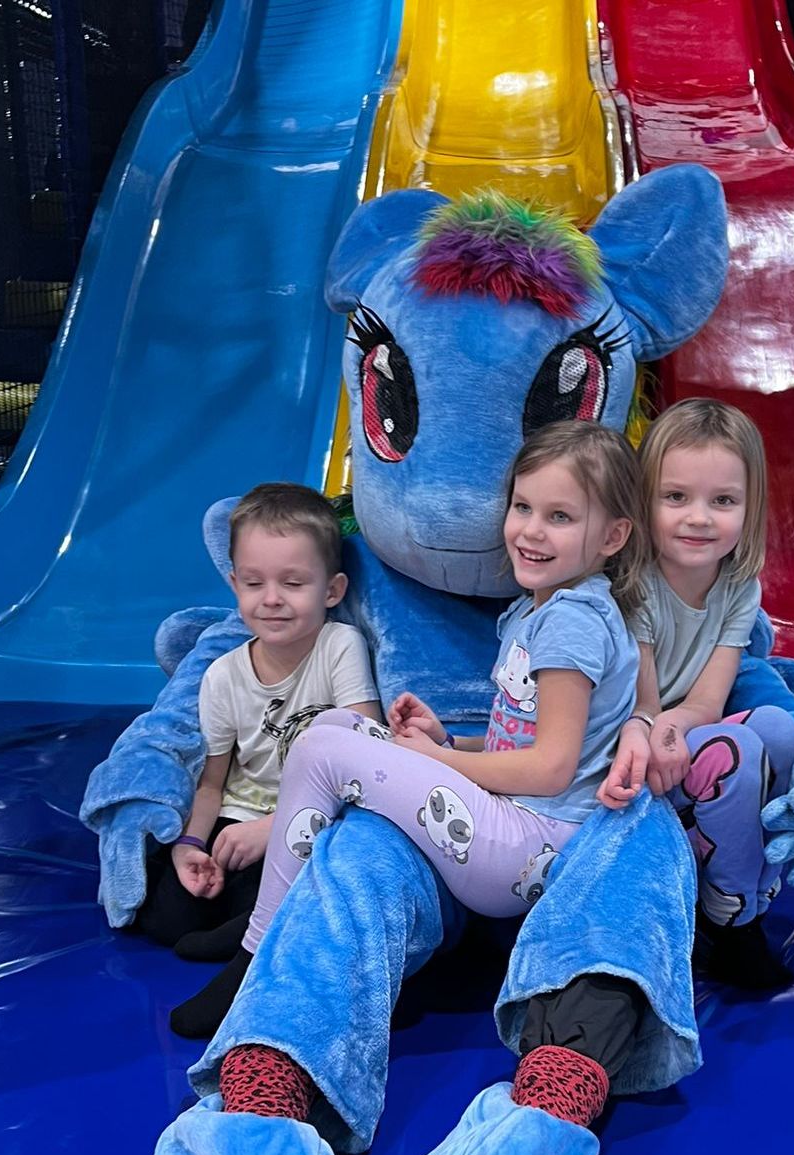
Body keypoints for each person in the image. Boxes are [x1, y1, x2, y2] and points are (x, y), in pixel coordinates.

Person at [171, 419, 650, 1036]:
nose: (531, 530)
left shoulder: (571, 622)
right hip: (513, 823)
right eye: (523, 507)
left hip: (530, 847)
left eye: (560, 517)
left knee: (321, 745)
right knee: (342, 723)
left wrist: (439, 762)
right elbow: (528, 740)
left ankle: (256, 952)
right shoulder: (540, 609)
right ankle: (277, 917)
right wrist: (447, 740)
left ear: (612, 535)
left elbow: (551, 768)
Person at [130, 483, 381, 1027]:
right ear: (234, 585)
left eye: (293, 583)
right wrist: (191, 847)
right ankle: (248, 921)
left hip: (316, 818)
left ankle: (254, 931)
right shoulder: (222, 676)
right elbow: (212, 783)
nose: (271, 599)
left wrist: (275, 827)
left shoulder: (339, 646)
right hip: (241, 817)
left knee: (315, 872)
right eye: (254, 583)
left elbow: (366, 749)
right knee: (168, 917)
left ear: (332, 590)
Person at [599, 399, 794, 989]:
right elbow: (641, 705)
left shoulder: (738, 585)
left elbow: (709, 701)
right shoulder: (633, 584)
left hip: (679, 733)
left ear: (749, 507)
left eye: (723, 501)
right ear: (644, 500)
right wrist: (662, 728)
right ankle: (733, 922)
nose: (699, 518)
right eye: (676, 497)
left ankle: (745, 889)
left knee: (782, 731)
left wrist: (673, 727)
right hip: (628, 745)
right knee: (736, 752)